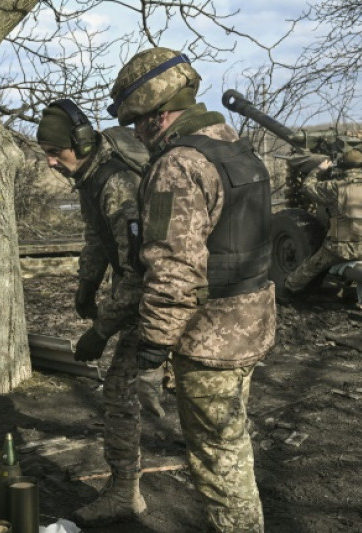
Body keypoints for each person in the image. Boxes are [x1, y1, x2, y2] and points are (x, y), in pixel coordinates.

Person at [108, 47, 276, 532]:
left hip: (209, 341)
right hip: (251, 324)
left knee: (220, 466)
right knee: (233, 447)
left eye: (139, 120)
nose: (138, 131)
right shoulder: (236, 147)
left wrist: (153, 351)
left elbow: (174, 270)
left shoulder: (177, 166)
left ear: (160, 113)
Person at [35, 99, 164, 526]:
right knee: (127, 390)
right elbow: (96, 235)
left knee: (120, 391)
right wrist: (87, 283)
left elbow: (139, 273)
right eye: (46, 154)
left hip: (166, 296)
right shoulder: (90, 176)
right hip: (147, 293)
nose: (51, 163)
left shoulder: (117, 183)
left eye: (56, 152)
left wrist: (101, 330)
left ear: (81, 142)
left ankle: (126, 495)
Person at [282, 150, 362, 310]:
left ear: (342, 167)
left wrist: (320, 170)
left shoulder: (335, 187)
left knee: (312, 266)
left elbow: (307, 187)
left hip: (338, 249)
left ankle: (288, 289)